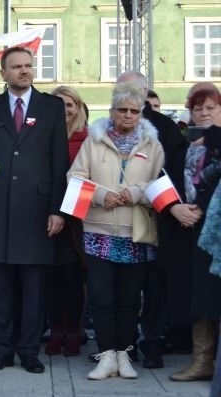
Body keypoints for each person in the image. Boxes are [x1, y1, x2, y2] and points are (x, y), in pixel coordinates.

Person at [0, 46, 69, 374]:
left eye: (28, 65)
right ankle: (1, 350)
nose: (24, 71)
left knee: (33, 286)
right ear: (3, 73)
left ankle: (29, 350)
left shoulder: (51, 107)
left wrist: (58, 210)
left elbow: (59, 163)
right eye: (16, 67)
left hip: (37, 211)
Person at [67, 82, 164, 380]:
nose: (128, 115)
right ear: (111, 112)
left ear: (141, 113)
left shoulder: (152, 144)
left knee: (129, 299)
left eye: (134, 111)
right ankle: (106, 356)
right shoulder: (93, 141)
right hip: (99, 231)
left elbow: (162, 184)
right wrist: (99, 195)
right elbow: (74, 177)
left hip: (136, 233)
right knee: (100, 297)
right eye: (122, 110)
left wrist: (136, 192)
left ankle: (125, 355)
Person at [118, 71, 189, 368]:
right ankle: (125, 343)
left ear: (145, 91)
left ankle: (152, 342)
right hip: (117, 218)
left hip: (155, 218)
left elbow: (172, 175)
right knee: (124, 287)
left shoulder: (164, 127)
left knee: (154, 287)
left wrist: (148, 196)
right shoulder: (107, 127)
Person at [168, 86, 221, 382]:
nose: (205, 113)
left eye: (211, 107)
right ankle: (201, 362)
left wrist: (200, 207)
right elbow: (165, 179)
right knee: (199, 295)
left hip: (217, 231)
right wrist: (176, 208)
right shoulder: (182, 145)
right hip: (188, 229)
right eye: (198, 108)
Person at [45, 85, 88, 357]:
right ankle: (56, 329)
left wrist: (73, 213)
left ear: (78, 108)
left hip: (76, 220)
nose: (64, 110)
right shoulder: (42, 135)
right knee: (50, 277)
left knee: (72, 277)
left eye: (69, 105)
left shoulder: (88, 139)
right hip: (46, 217)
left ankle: (74, 330)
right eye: (58, 105)